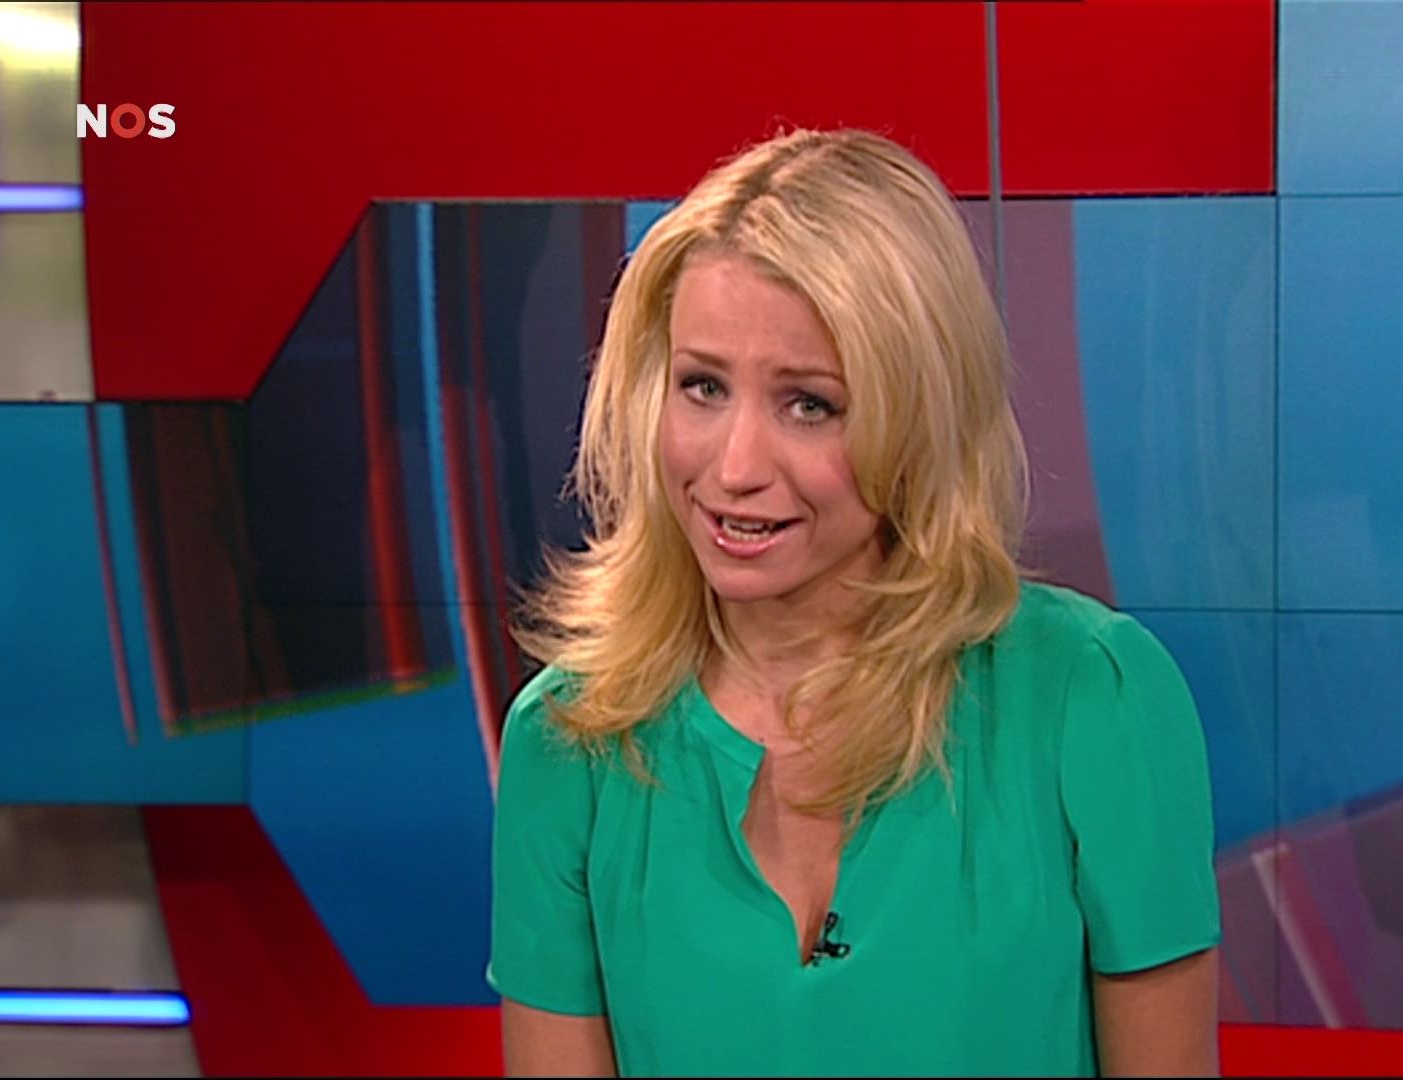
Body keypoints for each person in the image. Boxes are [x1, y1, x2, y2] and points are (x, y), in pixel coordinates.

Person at [490, 127, 1220, 1077]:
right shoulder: (570, 743)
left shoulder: (1093, 701)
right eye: (702, 386)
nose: (735, 468)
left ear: (919, 415)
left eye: (810, 404)